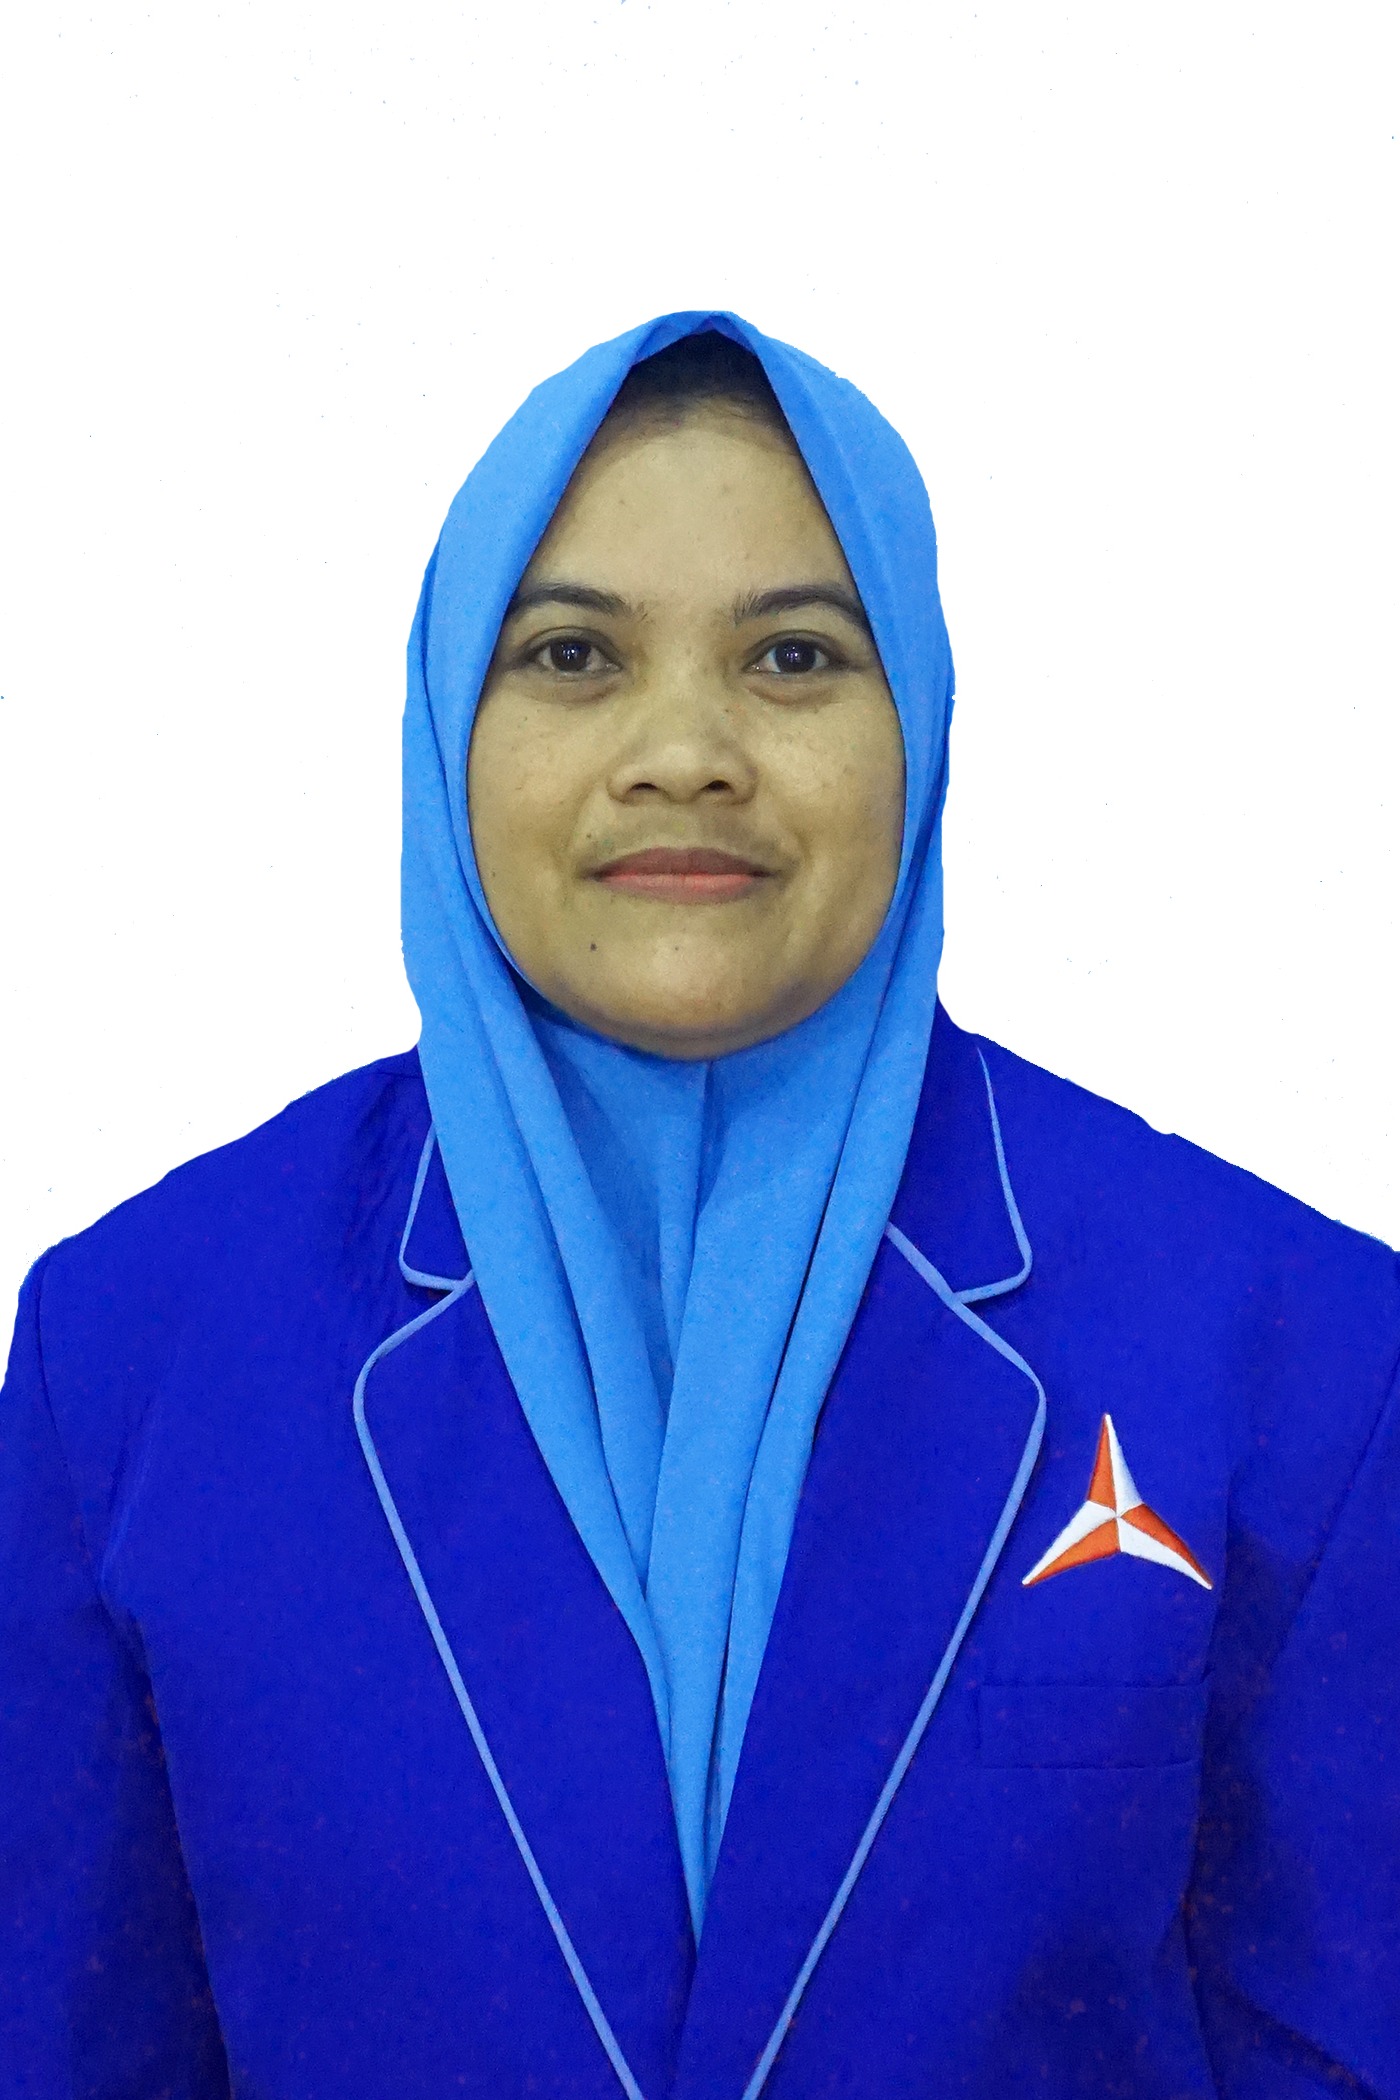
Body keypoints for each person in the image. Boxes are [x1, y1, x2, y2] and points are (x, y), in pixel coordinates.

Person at [1, 314, 1396, 2100]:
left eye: (793, 655)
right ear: (446, 721)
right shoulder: (132, 1352)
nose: (684, 752)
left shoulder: (1291, 1344)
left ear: (920, 723)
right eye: (573, 653)